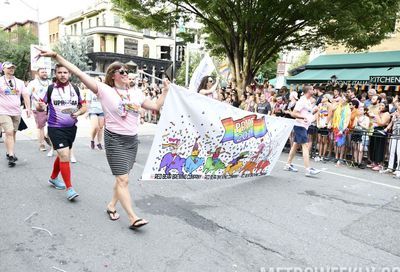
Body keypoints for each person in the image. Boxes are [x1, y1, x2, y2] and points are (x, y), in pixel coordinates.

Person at [37, 48, 170, 230]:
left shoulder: (136, 93)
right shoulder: (105, 90)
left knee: (122, 179)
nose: (125, 74)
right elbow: (77, 71)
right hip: (114, 139)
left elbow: (155, 106)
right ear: (113, 75)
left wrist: (165, 91)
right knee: (123, 180)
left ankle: (111, 206)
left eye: (127, 71)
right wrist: (56, 56)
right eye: (121, 71)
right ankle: (133, 217)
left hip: (132, 140)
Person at [36, 64, 87, 200]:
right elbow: (40, 106)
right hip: (55, 127)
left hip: (71, 128)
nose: (63, 75)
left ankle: (53, 178)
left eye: (65, 72)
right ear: (56, 74)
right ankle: (70, 188)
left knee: (62, 155)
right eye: (60, 72)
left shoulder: (76, 89)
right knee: (65, 155)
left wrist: (79, 112)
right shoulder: (50, 89)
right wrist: (40, 106)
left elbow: (84, 106)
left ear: (69, 74)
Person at [284, 86, 321, 176]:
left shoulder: (308, 101)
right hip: (300, 125)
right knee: (305, 145)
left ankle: (287, 165)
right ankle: (308, 169)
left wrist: (314, 112)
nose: (314, 90)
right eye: (312, 89)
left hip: (304, 126)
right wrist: (303, 117)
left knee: (295, 146)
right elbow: (294, 113)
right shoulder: (302, 101)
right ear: (308, 91)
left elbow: (307, 113)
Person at [0, 62, 32, 167]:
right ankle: (11, 155)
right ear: (3, 69)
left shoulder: (19, 82)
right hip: (3, 111)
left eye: (13, 68)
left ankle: (9, 151)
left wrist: (28, 108)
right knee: (8, 132)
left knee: (13, 133)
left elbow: (26, 95)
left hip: (16, 112)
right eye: (9, 68)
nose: (11, 69)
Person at [27, 67, 51, 152]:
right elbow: (27, 95)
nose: (44, 73)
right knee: (41, 127)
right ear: (38, 73)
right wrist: (28, 108)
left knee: (53, 125)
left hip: (50, 108)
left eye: (45, 72)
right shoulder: (33, 83)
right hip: (38, 108)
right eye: (42, 72)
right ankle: (42, 144)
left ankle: (47, 136)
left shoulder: (50, 82)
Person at [368, 102, 390, 171]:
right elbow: (374, 121)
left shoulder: (386, 114)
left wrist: (376, 115)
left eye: (382, 105)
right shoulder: (379, 113)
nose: (381, 106)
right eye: (380, 105)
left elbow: (381, 123)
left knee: (379, 148)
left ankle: (380, 164)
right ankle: (374, 162)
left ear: (386, 106)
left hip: (381, 131)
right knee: (373, 146)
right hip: (375, 130)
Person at [86, 78, 105, 150]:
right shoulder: (90, 91)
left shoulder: (103, 91)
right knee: (95, 126)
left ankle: (99, 143)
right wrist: (88, 111)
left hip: (101, 111)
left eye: (99, 81)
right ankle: (92, 140)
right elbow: (88, 102)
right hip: (93, 110)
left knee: (100, 128)